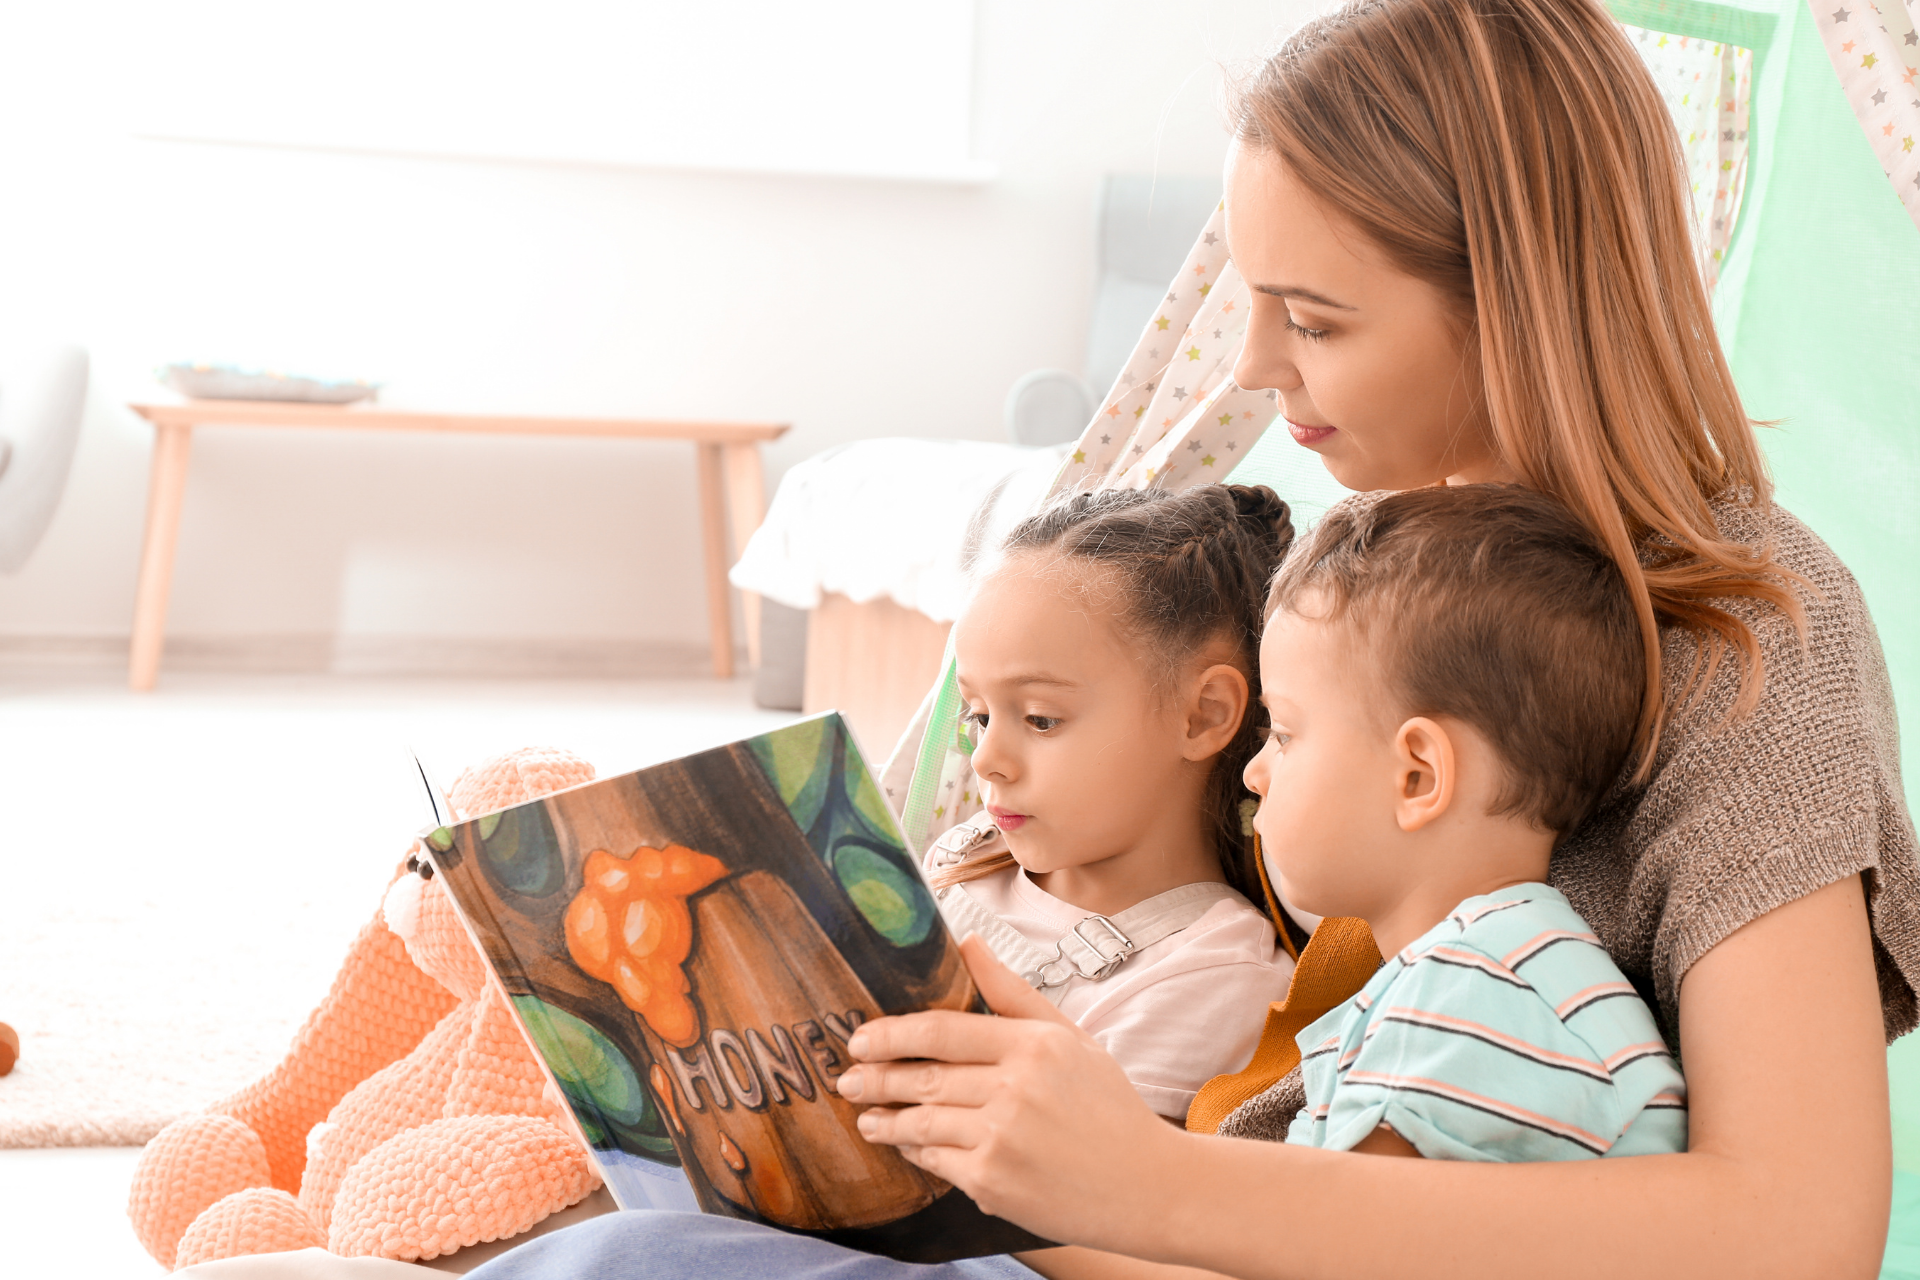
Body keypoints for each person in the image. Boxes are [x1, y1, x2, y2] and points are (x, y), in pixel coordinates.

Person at [470, 0, 1917, 1275]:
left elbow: (1796, 1231)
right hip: (1167, 1207)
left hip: (1204, 1212)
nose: (1253, 367)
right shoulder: (1357, 568)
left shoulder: (1745, 624)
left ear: (1519, 303)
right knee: (646, 1218)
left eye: (1315, 318)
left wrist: (1148, 1181)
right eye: (1250, 302)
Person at [1252, 484, 1685, 1162]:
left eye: (1282, 734)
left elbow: (1314, 1252)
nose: (1254, 772)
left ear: (1418, 776)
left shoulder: (1470, 999)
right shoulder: (1490, 974)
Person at [924, 484, 1298, 1124]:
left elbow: (1091, 1199)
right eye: (979, 716)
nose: (986, 759)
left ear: (1203, 715)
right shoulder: (971, 852)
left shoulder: (1212, 979)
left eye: (1040, 719)